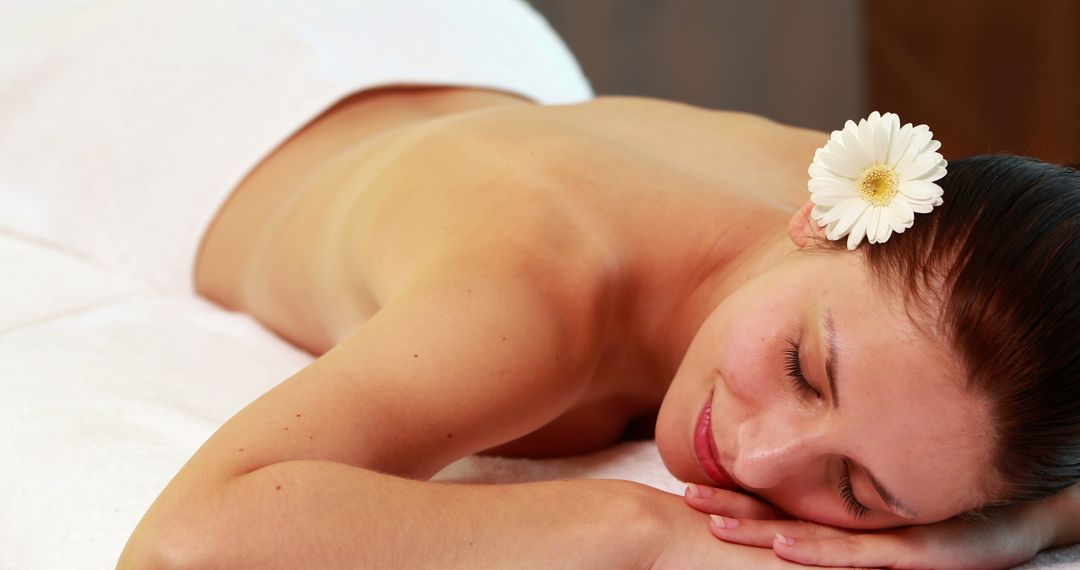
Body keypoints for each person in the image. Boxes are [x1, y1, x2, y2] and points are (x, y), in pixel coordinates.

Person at [16, 2, 1066, 568]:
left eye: (856, 491)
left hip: (458, 68)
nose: (759, 452)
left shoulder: (916, 271)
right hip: (174, 84)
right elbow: (190, 542)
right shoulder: (530, 302)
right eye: (803, 369)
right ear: (820, 215)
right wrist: (639, 535)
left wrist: (1014, 526)